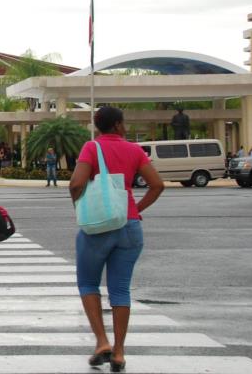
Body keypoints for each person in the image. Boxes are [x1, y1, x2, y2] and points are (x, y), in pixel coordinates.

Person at [69, 106, 165, 373]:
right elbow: (157, 185)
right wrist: (135, 209)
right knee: (120, 289)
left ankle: (102, 342)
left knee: (88, 283)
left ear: (99, 126)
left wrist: (80, 207)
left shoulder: (91, 148)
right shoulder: (134, 150)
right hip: (129, 226)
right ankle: (119, 352)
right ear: (119, 125)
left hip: (97, 227)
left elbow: (76, 183)